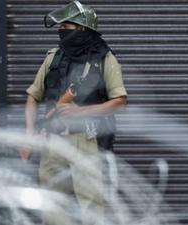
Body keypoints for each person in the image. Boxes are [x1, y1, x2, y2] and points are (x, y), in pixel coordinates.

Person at [20, 1, 127, 224]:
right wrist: (30, 134)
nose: (62, 32)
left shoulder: (104, 59)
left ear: (82, 30)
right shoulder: (53, 57)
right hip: (53, 140)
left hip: (86, 140)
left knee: (91, 203)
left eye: (67, 27)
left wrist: (81, 111)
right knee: (52, 202)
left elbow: (119, 101)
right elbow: (33, 96)